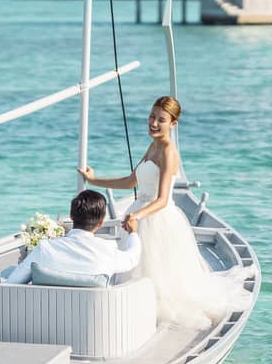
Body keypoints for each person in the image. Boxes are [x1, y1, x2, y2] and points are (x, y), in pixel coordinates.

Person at [78, 96, 252, 330]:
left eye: (161, 119)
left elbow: (162, 200)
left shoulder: (169, 152)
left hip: (156, 218)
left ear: (173, 123)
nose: (154, 123)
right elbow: (131, 181)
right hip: (138, 214)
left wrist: (137, 216)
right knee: (135, 268)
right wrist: (94, 179)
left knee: (157, 275)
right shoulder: (153, 145)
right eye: (152, 116)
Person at [6, 190, 142, 284]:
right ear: (100, 223)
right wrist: (133, 233)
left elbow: (13, 282)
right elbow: (133, 258)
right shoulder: (108, 251)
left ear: (71, 216)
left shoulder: (45, 248)